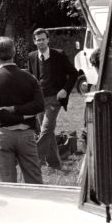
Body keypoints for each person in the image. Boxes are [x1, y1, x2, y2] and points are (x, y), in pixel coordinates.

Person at [0, 37, 44, 184]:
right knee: (34, 181)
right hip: (26, 133)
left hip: (3, 135)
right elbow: (39, 106)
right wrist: (22, 116)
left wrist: (12, 109)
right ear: (14, 52)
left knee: (7, 184)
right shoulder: (29, 77)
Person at [28, 27, 78, 170]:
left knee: (46, 129)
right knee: (48, 133)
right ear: (34, 42)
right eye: (38, 40)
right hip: (39, 100)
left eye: (43, 39)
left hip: (54, 99)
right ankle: (55, 164)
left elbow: (74, 74)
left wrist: (65, 90)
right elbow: (32, 79)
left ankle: (33, 162)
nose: (41, 42)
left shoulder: (59, 55)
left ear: (48, 39)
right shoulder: (31, 56)